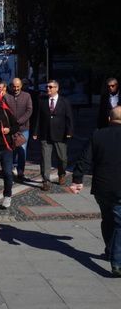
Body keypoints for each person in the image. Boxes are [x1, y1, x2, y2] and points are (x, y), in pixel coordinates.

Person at [72, 106, 121, 277]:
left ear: (109, 119)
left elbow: (85, 158)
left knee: (108, 219)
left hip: (101, 187)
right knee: (119, 223)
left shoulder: (98, 134)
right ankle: (117, 262)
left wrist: (77, 179)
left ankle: (109, 250)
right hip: (119, 188)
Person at [33, 80, 73, 190]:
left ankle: (61, 173)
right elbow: (38, 118)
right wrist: (35, 132)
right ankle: (46, 180)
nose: (48, 89)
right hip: (45, 134)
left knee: (62, 158)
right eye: (47, 87)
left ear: (57, 88)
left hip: (60, 134)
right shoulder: (42, 101)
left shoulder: (64, 101)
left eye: (50, 87)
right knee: (45, 158)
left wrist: (69, 132)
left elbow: (69, 117)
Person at [4, 78, 33, 182]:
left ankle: (20, 171)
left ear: (21, 86)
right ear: (11, 86)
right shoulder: (7, 96)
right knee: (12, 150)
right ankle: (11, 169)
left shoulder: (27, 96)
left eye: (18, 86)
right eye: (14, 86)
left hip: (23, 128)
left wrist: (19, 121)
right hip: (11, 128)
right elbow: (4, 110)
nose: (16, 89)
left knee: (22, 151)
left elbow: (29, 110)